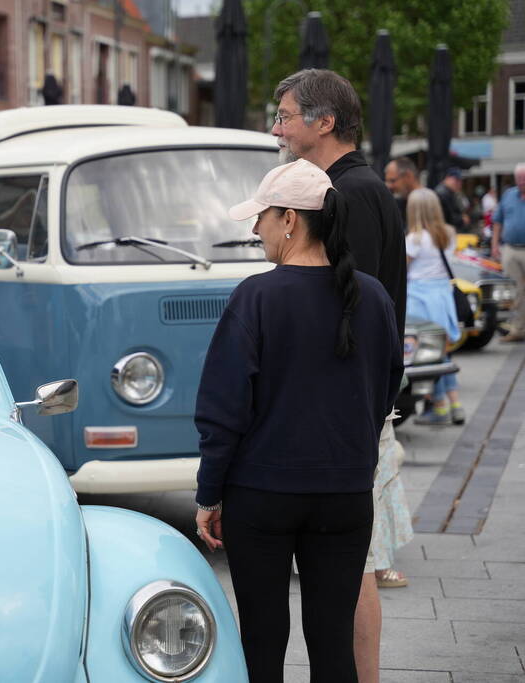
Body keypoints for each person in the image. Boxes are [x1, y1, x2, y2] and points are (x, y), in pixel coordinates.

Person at [194, 159, 403, 683]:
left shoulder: (256, 297)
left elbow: (223, 410)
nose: (253, 228)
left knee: (261, 640)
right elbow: (385, 389)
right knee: (334, 643)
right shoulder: (372, 297)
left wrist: (209, 495)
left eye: (261, 216)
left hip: (262, 494)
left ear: (289, 219)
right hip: (346, 495)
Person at [272, 68, 407, 683]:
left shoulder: (343, 195)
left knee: (355, 566)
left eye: (285, 116)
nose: (277, 128)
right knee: (355, 564)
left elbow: (351, 311)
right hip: (359, 405)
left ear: (323, 123)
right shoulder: (360, 187)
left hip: (348, 413)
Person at [405, 188, 463, 425]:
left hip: (420, 299)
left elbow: (403, 268)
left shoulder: (415, 239)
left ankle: (438, 406)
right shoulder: (448, 235)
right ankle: (456, 404)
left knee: (428, 357)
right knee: (444, 353)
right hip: (443, 298)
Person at [492, 163, 525, 342]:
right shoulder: (509, 195)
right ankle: (517, 328)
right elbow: (498, 221)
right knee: (514, 290)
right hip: (511, 249)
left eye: (524, 179)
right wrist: (495, 244)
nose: (521, 182)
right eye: (518, 179)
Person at [383, 157, 422, 228]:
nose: (389, 186)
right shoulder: (399, 203)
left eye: (392, 181)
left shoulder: (429, 203)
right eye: (387, 181)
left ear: (408, 176)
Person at [434, 167, 468, 233]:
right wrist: (461, 219)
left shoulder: (449, 192)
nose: (459, 184)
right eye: (456, 180)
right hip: (443, 233)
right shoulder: (443, 193)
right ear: (448, 178)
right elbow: (447, 218)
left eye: (460, 181)